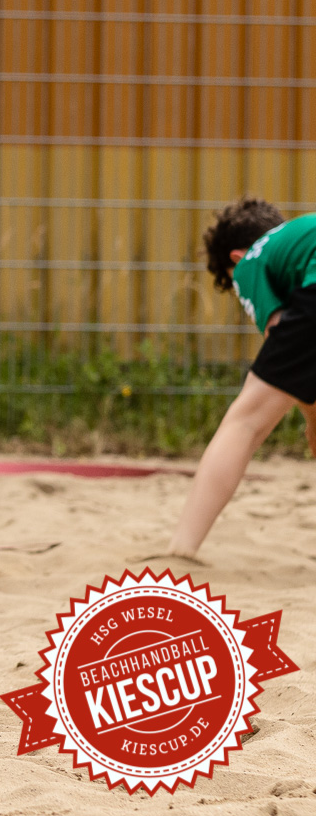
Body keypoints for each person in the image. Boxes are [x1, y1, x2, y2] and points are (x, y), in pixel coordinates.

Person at [168, 197, 316, 557]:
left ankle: (181, 551)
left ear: (235, 258)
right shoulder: (299, 239)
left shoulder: (251, 261)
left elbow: (286, 345)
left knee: (245, 422)